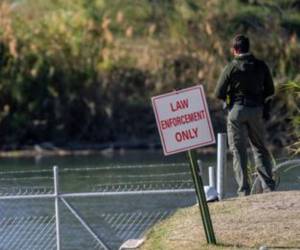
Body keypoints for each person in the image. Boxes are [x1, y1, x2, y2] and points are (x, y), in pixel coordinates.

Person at [215, 34, 276, 196]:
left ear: (235, 50)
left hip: (236, 111)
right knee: (260, 149)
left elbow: (218, 92)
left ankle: (244, 190)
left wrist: (229, 97)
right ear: (248, 48)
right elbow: (270, 90)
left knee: (238, 151)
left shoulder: (231, 67)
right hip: (256, 110)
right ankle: (268, 187)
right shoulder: (261, 66)